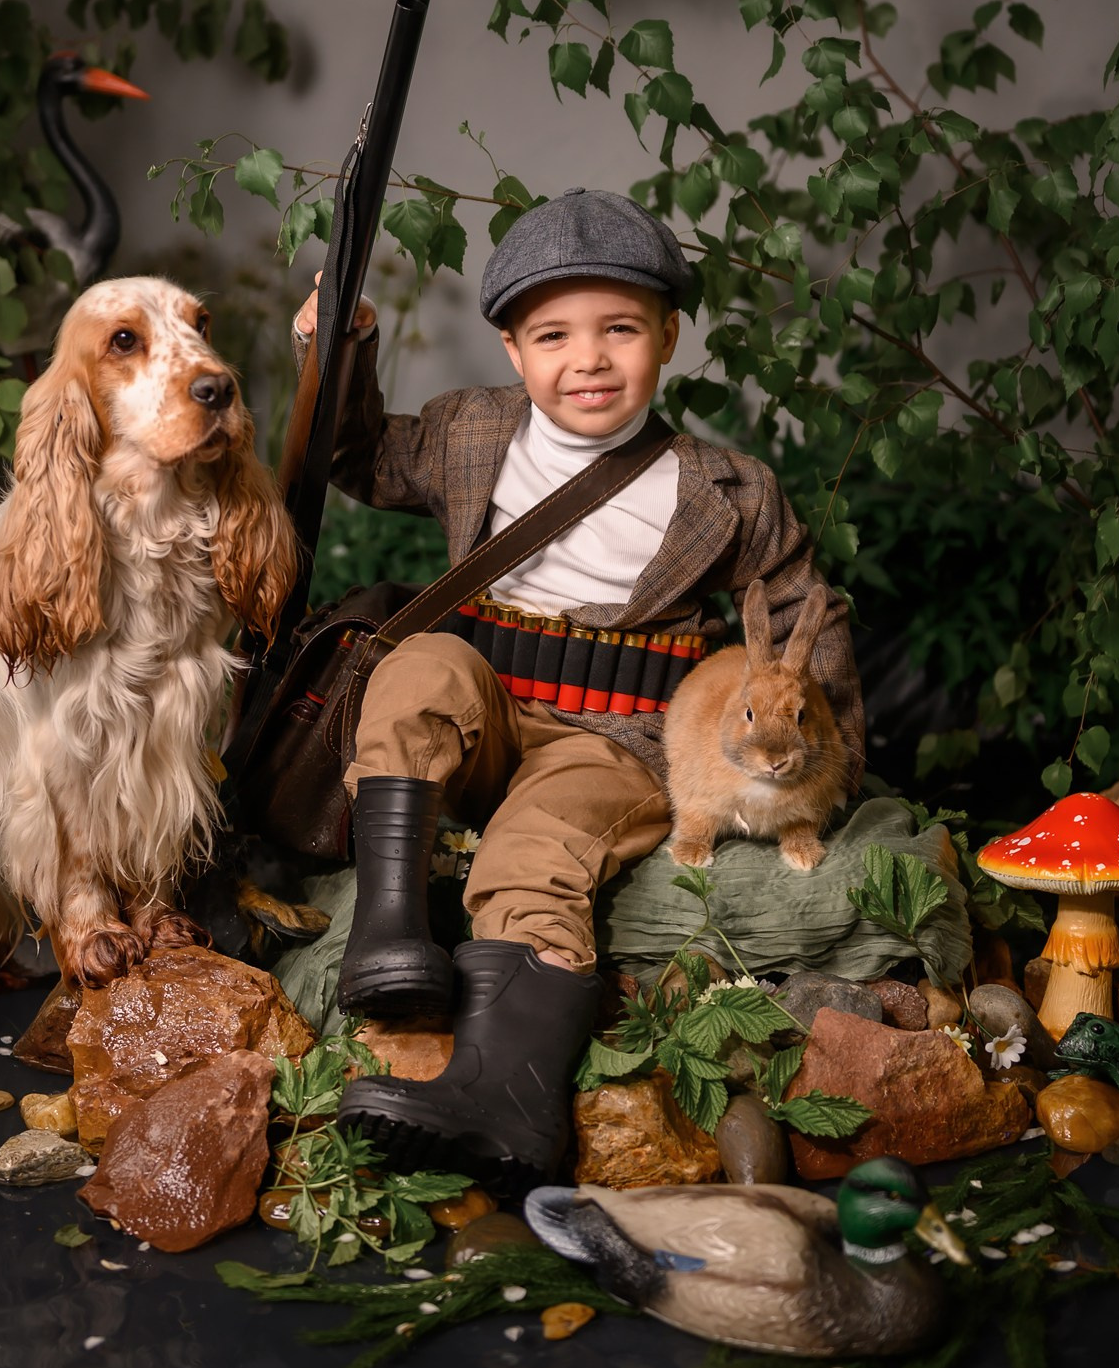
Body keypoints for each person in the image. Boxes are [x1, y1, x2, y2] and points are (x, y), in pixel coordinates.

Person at [290, 187, 866, 1191]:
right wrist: (340, 345)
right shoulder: (471, 433)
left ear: (669, 337)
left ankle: (506, 1098)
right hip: (485, 716)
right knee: (418, 666)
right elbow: (348, 454)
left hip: (616, 745)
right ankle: (388, 935)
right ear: (513, 351)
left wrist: (828, 768)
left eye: (620, 330)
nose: (588, 359)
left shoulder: (727, 489)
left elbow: (808, 627)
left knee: (538, 845)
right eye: (552, 334)